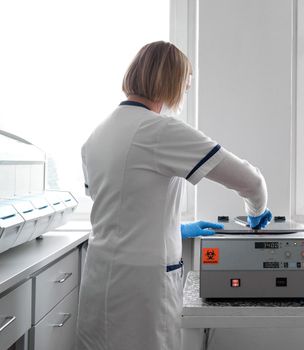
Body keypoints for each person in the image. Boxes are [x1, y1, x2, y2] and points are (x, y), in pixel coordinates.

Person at [77, 41, 272, 350]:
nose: (184, 93)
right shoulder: (159, 130)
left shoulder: (97, 135)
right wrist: (256, 209)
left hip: (99, 276)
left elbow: (119, 205)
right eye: (186, 85)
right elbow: (249, 180)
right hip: (142, 287)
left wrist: (177, 230)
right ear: (172, 82)